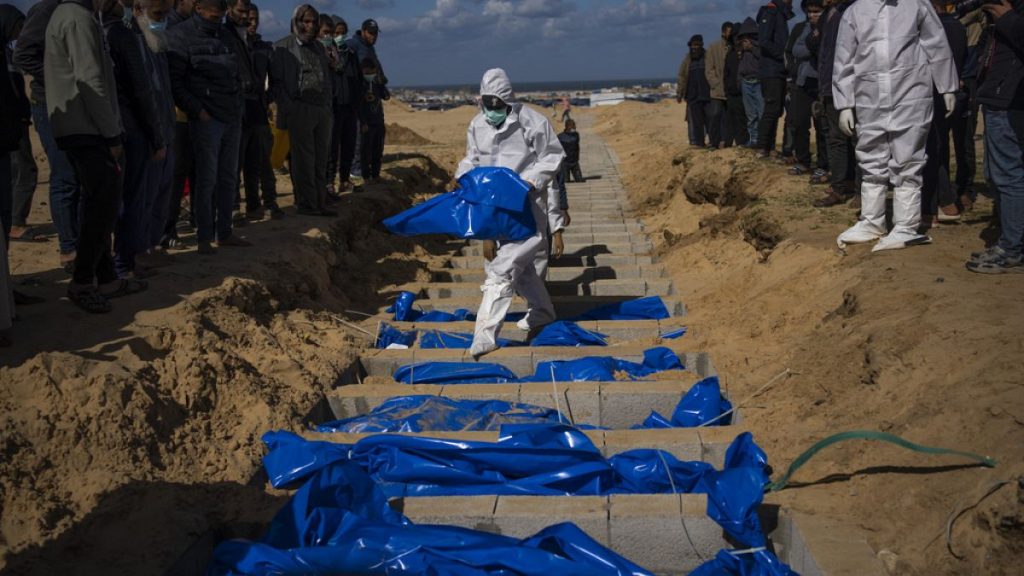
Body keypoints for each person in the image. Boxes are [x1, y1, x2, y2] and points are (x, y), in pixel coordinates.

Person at [47, 0, 151, 313]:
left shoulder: (77, 15)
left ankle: (107, 278)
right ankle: (82, 281)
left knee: (99, 202)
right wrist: (111, 133)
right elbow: (90, 79)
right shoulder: (76, 18)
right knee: (102, 205)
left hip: (83, 125)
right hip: (86, 126)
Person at [455, 68, 564, 358]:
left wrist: (531, 180)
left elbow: (553, 155)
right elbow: (472, 159)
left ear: (508, 100)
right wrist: (462, 176)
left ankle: (484, 336)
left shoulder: (532, 122)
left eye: (496, 105)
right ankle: (542, 312)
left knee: (500, 271)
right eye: (486, 104)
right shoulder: (477, 125)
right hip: (496, 209)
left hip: (527, 209)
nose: (491, 111)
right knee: (524, 272)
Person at [833, 0, 958, 251]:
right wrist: (844, 103)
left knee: (908, 158)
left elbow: (937, 45)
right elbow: (844, 57)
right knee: (870, 155)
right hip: (869, 95)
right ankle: (871, 221)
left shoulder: (916, 5)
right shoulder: (855, 11)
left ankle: (906, 226)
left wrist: (947, 85)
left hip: (910, 92)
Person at [168, 0, 250, 254]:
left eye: (221, 16)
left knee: (228, 177)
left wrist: (238, 104)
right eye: (213, 17)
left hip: (231, 115)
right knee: (206, 179)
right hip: (206, 118)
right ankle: (204, 236)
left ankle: (224, 232)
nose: (217, 21)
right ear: (199, 9)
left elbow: (236, 71)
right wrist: (198, 111)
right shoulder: (180, 36)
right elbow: (176, 82)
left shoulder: (225, 34)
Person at [13, 0, 82, 272]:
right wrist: (60, 77)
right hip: (50, 104)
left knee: (78, 177)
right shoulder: (47, 10)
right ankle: (69, 249)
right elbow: (23, 56)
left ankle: (79, 245)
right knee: (65, 177)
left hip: (76, 104)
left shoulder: (82, 10)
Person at [103, 0, 169, 279]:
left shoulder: (113, 33)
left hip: (122, 126)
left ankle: (125, 260)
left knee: (128, 198)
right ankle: (123, 265)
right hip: (133, 128)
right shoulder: (123, 36)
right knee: (131, 199)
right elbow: (141, 91)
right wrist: (156, 136)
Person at [965, 0, 1024, 273]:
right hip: (997, 100)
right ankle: (1011, 240)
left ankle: (1012, 248)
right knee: (998, 175)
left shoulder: (1012, 15)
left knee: (1009, 177)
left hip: (1010, 104)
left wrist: (1008, 18)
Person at [270, 4, 336, 216]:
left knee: (320, 159)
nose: (310, 26)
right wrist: (290, 108)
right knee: (303, 160)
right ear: (295, 22)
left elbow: (329, 73)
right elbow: (277, 83)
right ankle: (307, 204)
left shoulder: (318, 47)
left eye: (313, 22)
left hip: (322, 110)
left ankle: (319, 202)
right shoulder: (282, 47)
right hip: (300, 110)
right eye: (305, 21)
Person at [134, 0, 178, 268]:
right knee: (144, 197)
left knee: (163, 194)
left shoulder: (159, 42)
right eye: (158, 14)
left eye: (166, 13)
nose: (163, 19)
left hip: (167, 130)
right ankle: (138, 250)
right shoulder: (135, 42)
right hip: (149, 133)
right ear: (139, 10)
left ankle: (152, 244)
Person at [922, 0, 967, 226]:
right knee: (940, 149)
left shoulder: (936, 28)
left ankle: (935, 207)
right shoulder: (957, 26)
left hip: (935, 94)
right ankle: (945, 202)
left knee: (931, 151)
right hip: (950, 94)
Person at [810, 0, 859, 207]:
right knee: (836, 139)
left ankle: (861, 190)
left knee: (857, 140)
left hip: (848, 85)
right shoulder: (830, 15)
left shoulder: (852, 11)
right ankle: (841, 185)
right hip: (829, 85)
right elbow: (821, 51)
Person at [160, 0, 195, 250]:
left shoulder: (192, 27)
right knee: (175, 174)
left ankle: (194, 221)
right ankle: (166, 230)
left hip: (193, 112)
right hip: (176, 113)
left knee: (193, 171)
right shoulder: (169, 28)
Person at [241, 3, 281, 218]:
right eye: (248, 17)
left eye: (255, 18)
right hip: (237, 112)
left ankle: (269, 202)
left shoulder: (265, 48)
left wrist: (267, 99)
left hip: (258, 111)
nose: (252, 22)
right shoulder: (231, 43)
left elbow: (275, 81)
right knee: (238, 164)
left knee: (263, 160)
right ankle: (244, 206)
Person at [786, 0, 828, 176]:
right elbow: (792, 51)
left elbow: (823, 50)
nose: (812, 15)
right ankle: (803, 161)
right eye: (810, 11)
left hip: (820, 82)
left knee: (822, 126)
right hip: (800, 81)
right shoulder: (799, 28)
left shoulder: (830, 26)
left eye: (816, 11)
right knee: (798, 122)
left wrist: (809, 48)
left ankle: (823, 165)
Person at [346, 19, 385, 184]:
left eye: (375, 33)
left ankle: (373, 174)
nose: (374, 36)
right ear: (363, 31)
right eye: (371, 33)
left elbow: (377, 70)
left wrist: (383, 88)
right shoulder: (352, 45)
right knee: (362, 140)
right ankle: (358, 173)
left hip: (374, 97)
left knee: (377, 138)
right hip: (360, 99)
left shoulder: (370, 48)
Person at [755, 0, 794, 159]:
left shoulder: (779, 13)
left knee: (776, 109)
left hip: (778, 70)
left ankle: (769, 147)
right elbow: (764, 41)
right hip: (771, 70)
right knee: (771, 109)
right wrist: (783, 56)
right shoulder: (771, 12)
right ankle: (762, 148)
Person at [326, 15, 360, 195]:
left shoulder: (350, 54)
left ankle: (345, 180)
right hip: (334, 106)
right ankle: (329, 182)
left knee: (349, 145)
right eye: (336, 33)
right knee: (332, 148)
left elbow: (357, 79)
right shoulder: (326, 53)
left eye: (342, 33)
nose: (339, 36)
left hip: (350, 106)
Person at [676, 35, 713, 147]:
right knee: (696, 122)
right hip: (693, 96)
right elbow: (682, 77)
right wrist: (679, 93)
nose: (694, 48)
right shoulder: (687, 61)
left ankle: (713, 141)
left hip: (707, 95)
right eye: (693, 45)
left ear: (701, 45)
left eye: (697, 45)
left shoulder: (708, 58)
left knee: (710, 120)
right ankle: (699, 143)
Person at [357, 57, 388, 182]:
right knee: (366, 151)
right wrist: (363, 122)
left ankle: (376, 174)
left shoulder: (376, 84)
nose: (370, 75)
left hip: (378, 121)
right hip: (367, 123)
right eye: (367, 73)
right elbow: (357, 106)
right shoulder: (359, 85)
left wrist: (381, 83)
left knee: (377, 150)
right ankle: (366, 176)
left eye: (372, 73)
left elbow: (386, 96)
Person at [736, 18, 763, 147]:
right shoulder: (740, 49)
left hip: (758, 81)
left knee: (762, 112)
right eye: (744, 37)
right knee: (751, 115)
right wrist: (739, 81)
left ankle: (763, 140)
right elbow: (740, 67)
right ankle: (754, 139)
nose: (746, 39)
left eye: (749, 36)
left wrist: (752, 48)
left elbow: (763, 58)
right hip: (746, 82)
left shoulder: (760, 45)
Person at [723, 21, 749, 147]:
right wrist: (727, 90)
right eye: (734, 37)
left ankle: (742, 143)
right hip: (732, 92)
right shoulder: (730, 54)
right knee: (731, 119)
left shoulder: (746, 53)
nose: (736, 40)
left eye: (738, 37)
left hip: (744, 91)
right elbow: (726, 74)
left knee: (742, 120)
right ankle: (730, 143)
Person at [706, 22, 732, 148]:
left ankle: (726, 141)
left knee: (728, 117)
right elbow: (709, 69)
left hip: (730, 89)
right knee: (715, 115)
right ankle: (713, 141)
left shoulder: (734, 47)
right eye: (728, 31)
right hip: (717, 89)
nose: (730, 34)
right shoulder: (713, 47)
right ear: (723, 32)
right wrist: (714, 83)